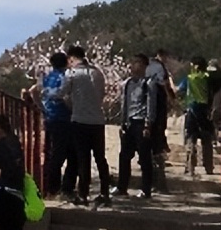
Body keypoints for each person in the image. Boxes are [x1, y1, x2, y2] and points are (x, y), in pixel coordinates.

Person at [57, 45, 112, 207]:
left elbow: (61, 93)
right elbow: (101, 95)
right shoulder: (98, 73)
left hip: (79, 120)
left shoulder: (72, 74)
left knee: (83, 158)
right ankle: (104, 192)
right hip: (97, 120)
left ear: (71, 58)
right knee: (101, 158)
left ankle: (83, 194)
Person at [22, 51, 77, 200]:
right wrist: (72, 109)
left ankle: (52, 188)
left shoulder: (46, 78)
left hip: (50, 118)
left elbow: (33, 91)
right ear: (66, 62)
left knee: (52, 153)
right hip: (64, 118)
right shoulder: (65, 77)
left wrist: (42, 108)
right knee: (67, 154)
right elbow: (65, 97)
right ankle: (59, 188)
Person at [112, 53, 157, 199]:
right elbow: (125, 104)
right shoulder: (128, 83)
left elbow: (151, 105)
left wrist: (148, 125)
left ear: (144, 66)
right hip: (129, 123)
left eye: (137, 62)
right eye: (133, 62)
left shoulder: (149, 83)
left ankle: (146, 189)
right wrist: (122, 123)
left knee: (144, 158)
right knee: (124, 156)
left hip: (141, 122)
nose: (133, 66)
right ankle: (122, 187)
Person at [177, 56, 216, 175]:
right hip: (206, 113)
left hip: (192, 112)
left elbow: (179, 91)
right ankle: (209, 167)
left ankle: (190, 167)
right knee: (207, 141)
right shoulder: (209, 79)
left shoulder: (188, 79)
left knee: (191, 140)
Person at [145, 49, 175, 192]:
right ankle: (159, 183)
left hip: (144, 116)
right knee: (157, 148)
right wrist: (172, 97)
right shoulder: (159, 69)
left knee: (147, 148)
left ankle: (148, 181)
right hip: (157, 114)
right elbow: (164, 84)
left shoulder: (148, 67)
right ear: (161, 56)